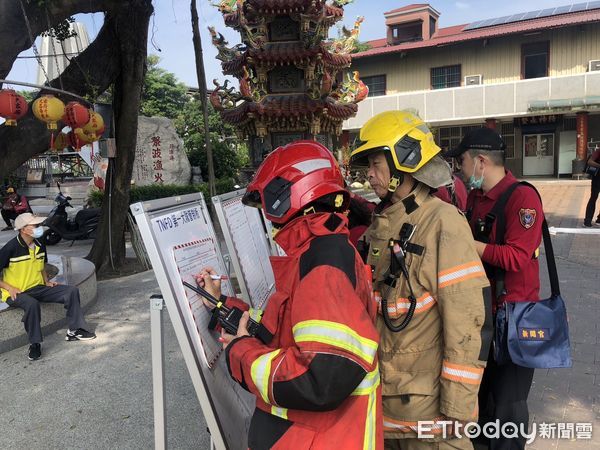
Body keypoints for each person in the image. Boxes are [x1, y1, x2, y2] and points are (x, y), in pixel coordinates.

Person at [196, 141, 383, 449]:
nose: (269, 220)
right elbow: (281, 329)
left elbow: (320, 380)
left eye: (268, 203)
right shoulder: (319, 251)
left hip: (323, 439)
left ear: (288, 196)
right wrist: (221, 307)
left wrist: (241, 354)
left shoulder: (324, 268)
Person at [349, 110, 491, 450]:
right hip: (386, 407)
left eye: (376, 164)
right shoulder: (384, 225)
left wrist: (456, 410)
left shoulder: (442, 223)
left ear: (405, 161)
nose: (369, 174)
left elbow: (468, 320)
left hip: (430, 418)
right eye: (367, 165)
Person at [446, 127, 543, 450]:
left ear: (481, 161)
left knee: (508, 410)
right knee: (481, 402)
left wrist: (468, 244)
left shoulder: (523, 198)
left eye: (462, 162)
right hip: (480, 316)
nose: (459, 170)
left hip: (514, 320)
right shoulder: (474, 197)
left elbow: (516, 257)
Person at [0, 213, 96, 361]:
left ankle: (75, 330)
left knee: (71, 291)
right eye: (35, 226)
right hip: (15, 292)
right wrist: (9, 288)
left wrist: (46, 281)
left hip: (38, 287)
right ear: (23, 229)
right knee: (31, 304)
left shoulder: (39, 245)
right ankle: (35, 343)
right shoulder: (10, 248)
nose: (39, 228)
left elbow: (42, 266)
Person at [583, 145, 600, 227]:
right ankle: (587, 220)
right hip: (597, 179)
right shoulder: (598, 151)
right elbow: (590, 162)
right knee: (593, 197)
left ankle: (599, 219)